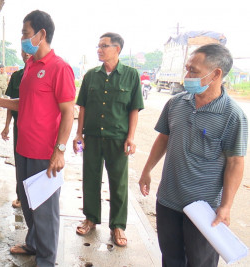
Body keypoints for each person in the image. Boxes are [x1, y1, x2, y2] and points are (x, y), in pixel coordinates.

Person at [139, 43, 247, 266]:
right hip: (168, 200)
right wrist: (147, 170)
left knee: (200, 262)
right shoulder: (176, 103)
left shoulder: (232, 115)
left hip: (204, 210)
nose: (187, 76)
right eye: (187, 69)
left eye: (194, 71)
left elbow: (235, 163)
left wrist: (225, 206)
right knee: (171, 259)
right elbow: (163, 139)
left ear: (216, 74)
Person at [0, 10, 75, 267]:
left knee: (45, 211)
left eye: (25, 33)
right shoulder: (31, 66)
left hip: (45, 152)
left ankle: (46, 260)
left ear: (41, 34)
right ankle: (34, 243)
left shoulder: (60, 68)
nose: (22, 38)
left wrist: (60, 150)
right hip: (23, 148)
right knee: (28, 203)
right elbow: (26, 103)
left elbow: (69, 112)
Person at [74, 32, 144, 247]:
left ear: (117, 49)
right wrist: (79, 134)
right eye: (98, 46)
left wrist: (131, 137)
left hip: (118, 138)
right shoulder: (91, 76)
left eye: (104, 46)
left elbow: (134, 109)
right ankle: (91, 219)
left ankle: (118, 226)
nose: (99, 49)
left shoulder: (131, 75)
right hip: (93, 137)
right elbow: (82, 106)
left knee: (119, 183)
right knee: (91, 179)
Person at [1, 51, 32, 209]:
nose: (26, 54)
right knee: (20, 162)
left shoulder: (43, 74)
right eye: (23, 51)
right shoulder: (16, 76)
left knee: (36, 164)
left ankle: (34, 198)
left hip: (37, 127)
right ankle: (20, 196)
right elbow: (11, 103)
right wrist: (7, 126)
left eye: (29, 51)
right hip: (19, 125)